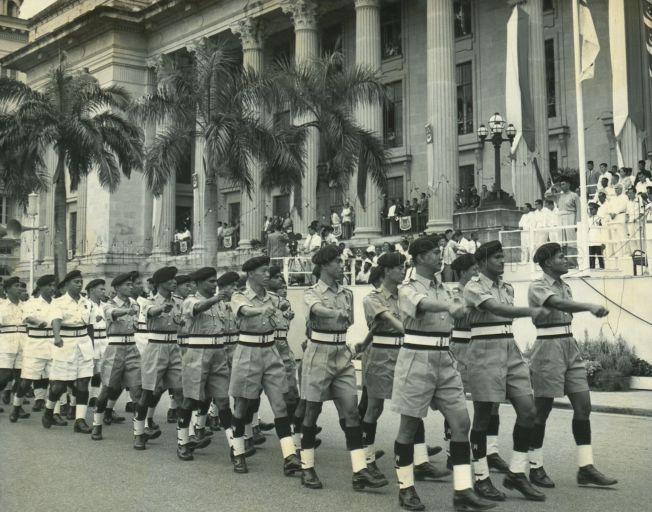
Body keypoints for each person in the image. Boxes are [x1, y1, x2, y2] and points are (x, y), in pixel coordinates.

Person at [391, 238, 492, 511]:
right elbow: (422, 304)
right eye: (435, 253)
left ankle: (462, 490)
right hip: (417, 357)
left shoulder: (444, 289)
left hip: (445, 359)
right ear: (421, 257)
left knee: (461, 423)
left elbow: (458, 311)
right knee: (409, 426)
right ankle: (406, 487)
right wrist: (448, 306)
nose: (440, 256)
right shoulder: (408, 288)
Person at [464, 241, 549, 502]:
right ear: (481, 263)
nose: (503, 261)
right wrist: (531, 311)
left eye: (503, 256)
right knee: (483, 416)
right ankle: (481, 478)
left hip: (509, 349)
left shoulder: (508, 287)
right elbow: (497, 309)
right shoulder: (473, 287)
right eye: (497, 258)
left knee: (528, 410)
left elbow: (506, 315)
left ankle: (516, 473)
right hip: (484, 351)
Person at [527, 243, 617, 488]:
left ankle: (585, 467)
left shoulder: (565, 285)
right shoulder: (538, 285)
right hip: (548, 347)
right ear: (547, 263)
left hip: (569, 345)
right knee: (541, 410)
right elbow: (558, 304)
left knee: (583, 406)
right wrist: (589, 306)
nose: (565, 259)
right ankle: (535, 466)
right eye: (560, 256)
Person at [300, 245, 387, 491]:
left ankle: (360, 471)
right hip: (318, 354)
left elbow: (348, 320)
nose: (341, 265)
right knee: (311, 412)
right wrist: (332, 313)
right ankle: (307, 467)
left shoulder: (347, 293)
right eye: (337, 262)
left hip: (341, 354)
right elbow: (316, 309)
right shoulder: (311, 292)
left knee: (351, 412)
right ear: (325, 265)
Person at [229, 256, 301, 475]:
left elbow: (286, 312)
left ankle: (289, 456)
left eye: (267, 271)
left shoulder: (273, 298)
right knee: (243, 404)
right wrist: (260, 311)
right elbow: (245, 311)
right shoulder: (238, 296)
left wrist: (286, 312)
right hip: (248, 351)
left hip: (270, 351)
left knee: (280, 403)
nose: (267, 274)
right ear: (251, 274)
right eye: (263, 271)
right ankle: (238, 451)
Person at [175, 267, 234, 461]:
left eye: (215, 281)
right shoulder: (190, 300)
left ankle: (236, 446)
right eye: (210, 281)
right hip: (197, 353)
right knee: (191, 399)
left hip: (218, 353)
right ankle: (183, 442)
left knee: (223, 400)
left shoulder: (219, 304)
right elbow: (198, 308)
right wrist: (217, 299)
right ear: (199, 283)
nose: (215, 284)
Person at [91, 273, 145, 442]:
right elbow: (113, 313)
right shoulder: (108, 305)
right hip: (114, 348)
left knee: (137, 390)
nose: (131, 287)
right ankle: (97, 424)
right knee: (107, 389)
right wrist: (127, 311)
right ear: (117, 288)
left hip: (131, 347)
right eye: (127, 285)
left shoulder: (135, 303)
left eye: (132, 284)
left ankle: (139, 433)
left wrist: (131, 310)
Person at [135, 266, 184, 450]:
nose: (174, 282)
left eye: (174, 279)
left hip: (174, 347)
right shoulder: (149, 301)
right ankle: (139, 432)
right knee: (149, 392)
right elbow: (150, 312)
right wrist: (162, 308)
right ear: (161, 283)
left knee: (180, 391)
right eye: (171, 279)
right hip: (156, 347)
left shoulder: (178, 301)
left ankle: (185, 437)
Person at [42, 270, 94, 433]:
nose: (79, 284)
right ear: (67, 284)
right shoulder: (58, 302)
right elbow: (56, 320)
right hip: (66, 343)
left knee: (84, 382)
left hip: (84, 344)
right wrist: (57, 337)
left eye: (81, 281)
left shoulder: (87, 302)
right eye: (76, 282)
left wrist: (91, 343)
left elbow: (90, 325)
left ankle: (80, 420)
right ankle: (49, 410)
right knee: (59, 385)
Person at [19, 275, 59, 418]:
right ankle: (17, 406)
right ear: (41, 287)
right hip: (35, 344)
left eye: (54, 285)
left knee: (56, 380)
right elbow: (27, 317)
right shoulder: (31, 303)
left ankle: (53, 412)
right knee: (27, 380)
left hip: (52, 344)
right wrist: (39, 322)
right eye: (49, 285)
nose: (52, 288)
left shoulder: (57, 303)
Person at [0, 277, 28, 422]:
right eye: (16, 286)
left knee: (20, 377)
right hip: (6, 343)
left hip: (23, 343)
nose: (20, 289)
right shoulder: (2, 305)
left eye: (20, 286)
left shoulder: (26, 305)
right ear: (8, 289)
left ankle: (18, 405)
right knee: (4, 376)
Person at [85, 279, 107, 408]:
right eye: (101, 289)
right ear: (92, 290)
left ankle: (94, 396)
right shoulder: (86, 304)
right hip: (90, 339)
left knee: (100, 372)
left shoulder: (105, 305)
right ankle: (73, 401)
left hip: (103, 340)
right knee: (87, 372)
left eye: (104, 289)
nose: (103, 291)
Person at [556, 180, 579, 250]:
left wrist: (577, 222)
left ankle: (572, 256)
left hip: (570, 216)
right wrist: (555, 186)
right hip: (560, 218)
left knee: (571, 238)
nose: (561, 186)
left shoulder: (574, 195)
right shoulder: (559, 196)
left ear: (568, 185)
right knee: (562, 239)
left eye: (563, 184)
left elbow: (578, 209)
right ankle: (564, 256)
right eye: (561, 185)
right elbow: (547, 195)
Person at [587, 203, 606, 270]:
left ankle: (602, 268)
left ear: (596, 209)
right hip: (591, 241)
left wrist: (603, 242)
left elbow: (603, 231)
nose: (591, 211)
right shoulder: (588, 219)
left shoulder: (600, 219)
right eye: (590, 209)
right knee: (591, 257)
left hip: (598, 240)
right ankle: (592, 269)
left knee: (600, 256)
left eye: (592, 209)